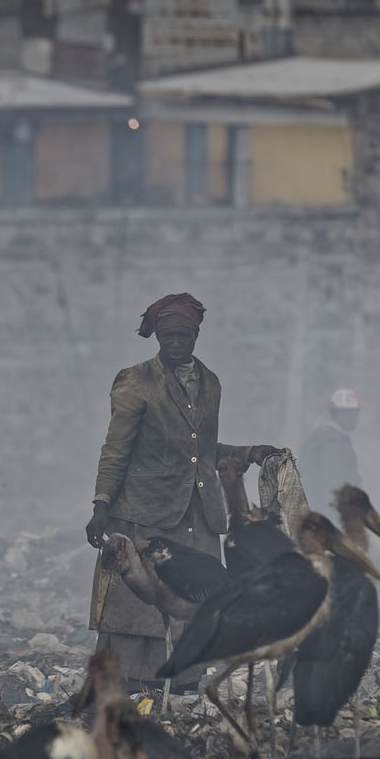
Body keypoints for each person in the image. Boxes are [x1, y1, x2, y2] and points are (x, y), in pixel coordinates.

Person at [86, 293, 281, 689]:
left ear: (196, 335)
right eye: (168, 337)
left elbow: (203, 450)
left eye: (184, 336)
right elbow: (116, 448)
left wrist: (250, 453)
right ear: (157, 335)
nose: (176, 344)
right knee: (137, 605)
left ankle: (186, 681)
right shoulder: (135, 381)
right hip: (145, 511)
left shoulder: (211, 384)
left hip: (197, 516)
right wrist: (101, 503)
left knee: (191, 602)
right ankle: (134, 685)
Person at [299, 388, 361, 498]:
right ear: (342, 413)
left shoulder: (318, 437)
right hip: (330, 511)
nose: (356, 417)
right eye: (354, 412)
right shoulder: (335, 443)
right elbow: (335, 485)